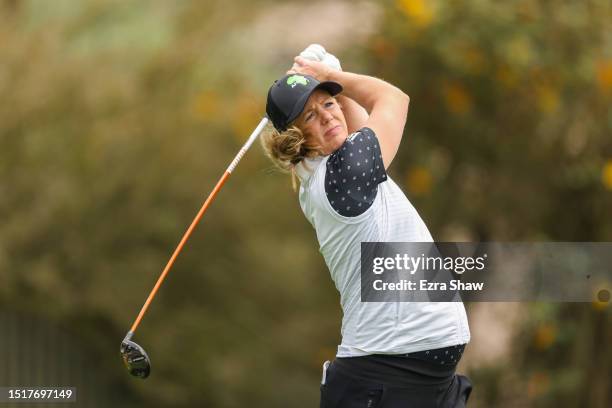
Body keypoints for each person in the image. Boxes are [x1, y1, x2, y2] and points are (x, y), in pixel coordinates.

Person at [262, 47, 473, 407]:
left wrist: (329, 74)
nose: (328, 117)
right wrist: (333, 77)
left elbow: (358, 125)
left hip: (403, 374)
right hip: (387, 373)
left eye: (328, 104)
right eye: (310, 116)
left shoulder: (322, 166)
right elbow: (394, 99)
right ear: (295, 137)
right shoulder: (344, 174)